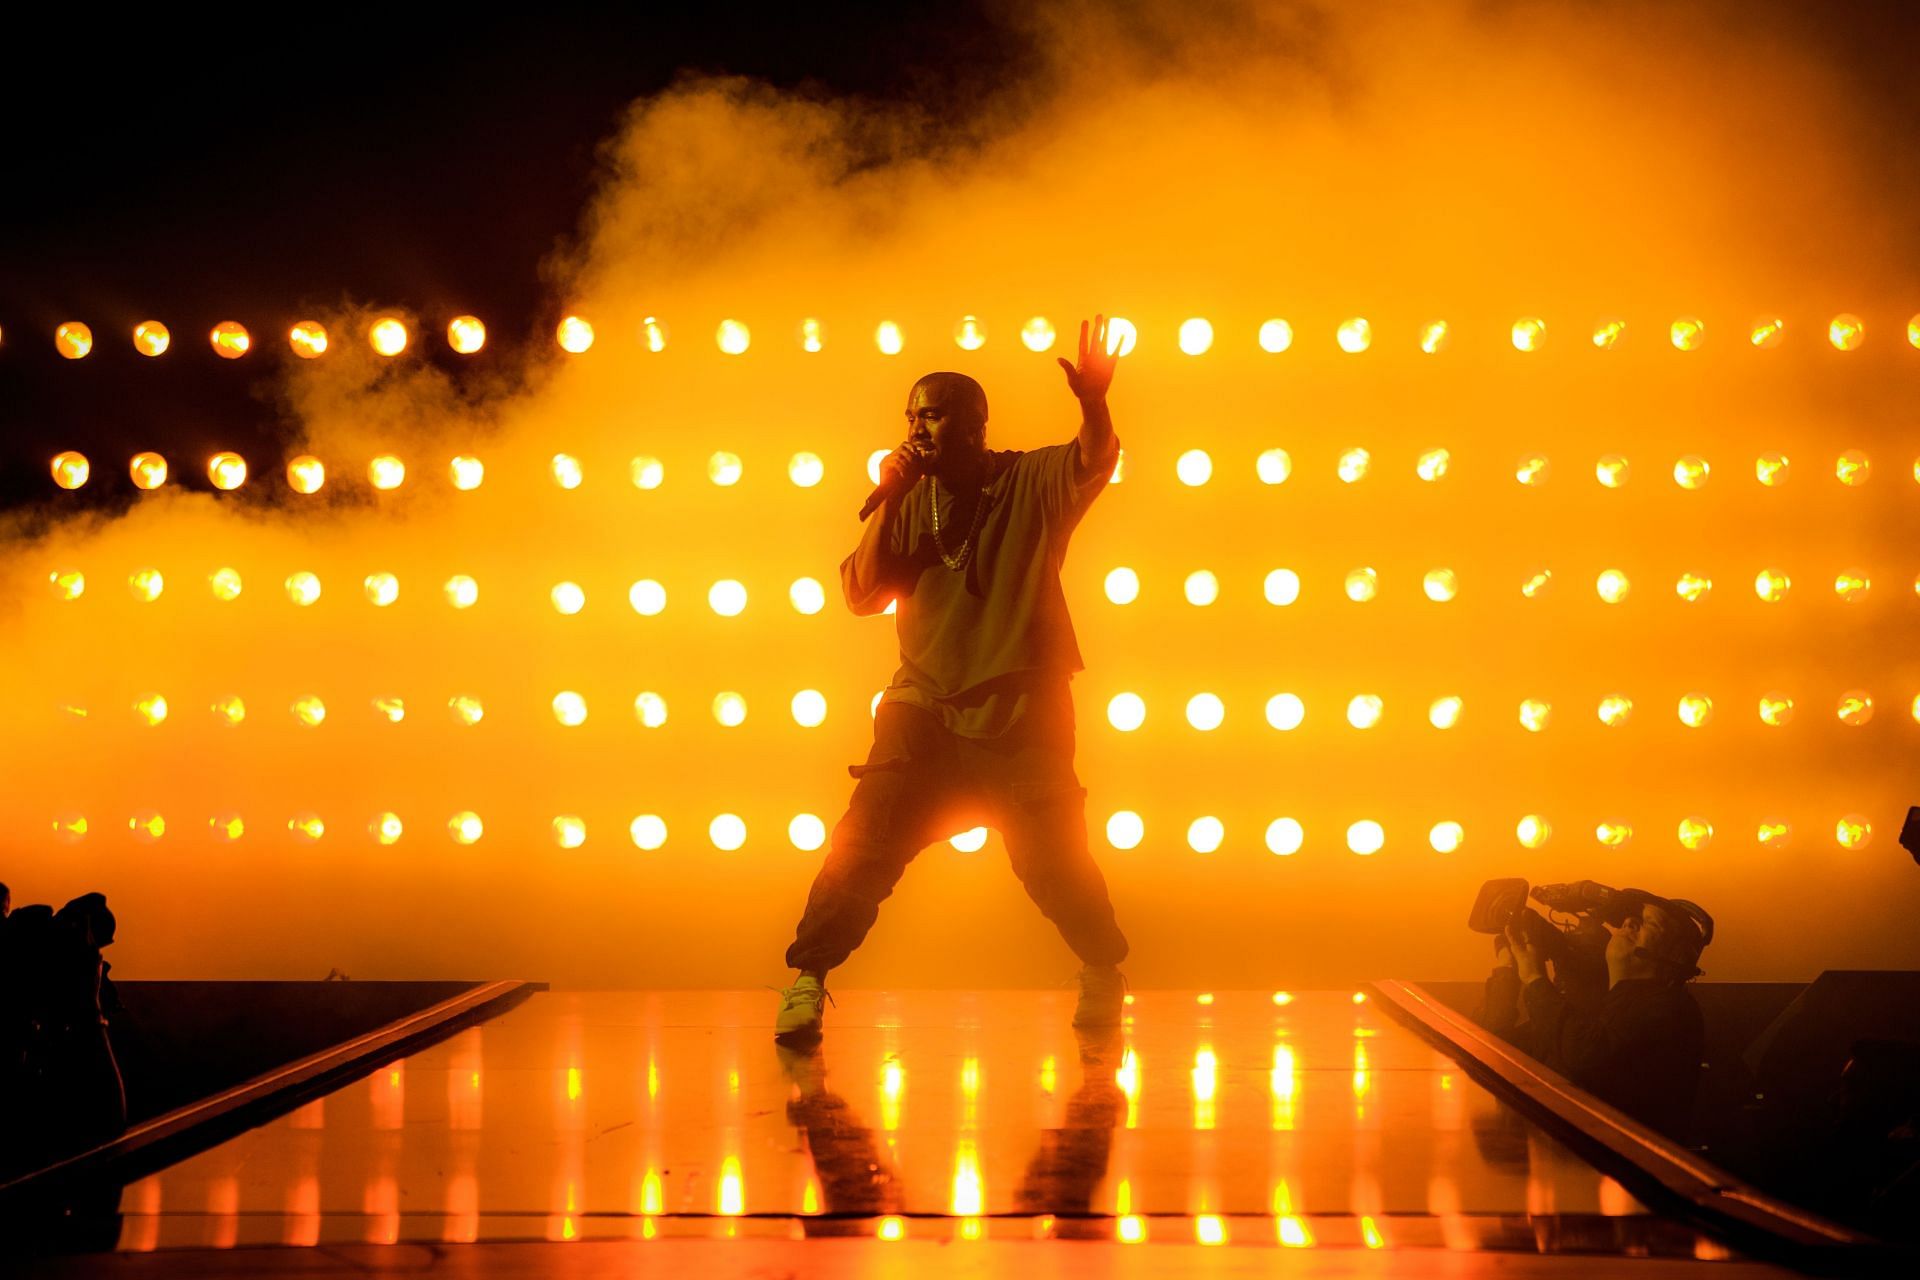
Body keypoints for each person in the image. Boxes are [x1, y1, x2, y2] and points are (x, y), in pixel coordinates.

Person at [775, 316, 1130, 1040]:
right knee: (861, 847)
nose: (916, 429)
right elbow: (861, 595)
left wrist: (1093, 401)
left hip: (1018, 708)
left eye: (930, 415)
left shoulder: (1027, 480)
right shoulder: (911, 499)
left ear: (972, 423)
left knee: (1054, 867)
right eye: (909, 417)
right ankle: (807, 979)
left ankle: (1101, 968)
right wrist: (889, 495)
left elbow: (1094, 457)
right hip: (923, 709)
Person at [1480, 891, 1710, 1136]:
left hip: (1623, 1166)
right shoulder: (1598, 1009)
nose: (1628, 923)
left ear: (1675, 958)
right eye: (1632, 918)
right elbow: (1495, 1050)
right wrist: (1506, 968)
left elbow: (1586, 1057)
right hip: (1572, 1165)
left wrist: (1535, 977)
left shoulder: (1671, 1009)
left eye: (1649, 922)